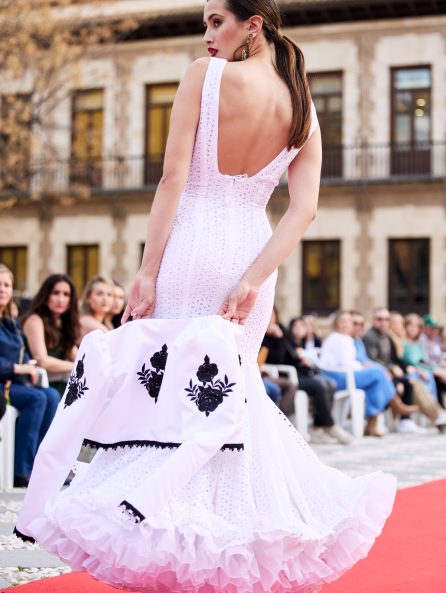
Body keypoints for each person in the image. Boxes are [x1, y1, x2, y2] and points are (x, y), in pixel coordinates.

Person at [14, 2, 396, 591]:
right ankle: (225, 545)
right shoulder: (301, 101)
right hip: (253, 251)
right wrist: (252, 278)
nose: (208, 34)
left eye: (217, 20)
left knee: (172, 397)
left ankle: (164, 534)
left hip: (191, 245)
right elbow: (304, 210)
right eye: (204, 24)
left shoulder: (203, 75)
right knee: (226, 399)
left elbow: (172, 180)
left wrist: (146, 270)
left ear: (254, 23)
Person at [0, 264, 61, 487]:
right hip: (4, 382)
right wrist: (17, 369)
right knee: (37, 399)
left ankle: (40, 465)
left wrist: (29, 365)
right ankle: (22, 470)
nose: (3, 289)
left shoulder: (11, 323)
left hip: (15, 383)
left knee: (51, 395)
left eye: (7, 285)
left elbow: (20, 353)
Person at [320, 311, 417, 437]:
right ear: (336, 324)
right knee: (378, 371)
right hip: (336, 377)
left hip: (344, 375)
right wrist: (362, 366)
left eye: (348, 321)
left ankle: (372, 423)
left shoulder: (345, 339)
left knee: (375, 382)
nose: (346, 324)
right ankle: (395, 404)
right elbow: (346, 364)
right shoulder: (339, 338)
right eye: (342, 321)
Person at [263, 309, 353, 444]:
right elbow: (277, 359)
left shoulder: (284, 332)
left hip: (301, 373)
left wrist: (302, 359)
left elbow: (294, 356)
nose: (270, 319)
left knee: (330, 383)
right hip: (285, 376)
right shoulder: (266, 335)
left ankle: (318, 427)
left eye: (273, 315)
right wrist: (278, 339)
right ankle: (329, 425)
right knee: (319, 385)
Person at [389, 312, 446, 430]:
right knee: (422, 381)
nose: (414, 329)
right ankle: (440, 414)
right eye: (411, 326)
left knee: (435, 378)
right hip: (410, 374)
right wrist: (429, 369)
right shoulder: (401, 342)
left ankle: (442, 413)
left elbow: (423, 360)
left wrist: (435, 368)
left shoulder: (416, 343)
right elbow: (410, 361)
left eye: (417, 326)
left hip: (420, 372)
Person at [362, 307, 423, 434]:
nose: (383, 322)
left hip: (386, 371)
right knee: (394, 384)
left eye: (386, 319)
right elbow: (372, 359)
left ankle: (405, 421)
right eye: (379, 319)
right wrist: (390, 368)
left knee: (408, 382)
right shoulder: (370, 337)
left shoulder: (386, 337)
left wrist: (400, 368)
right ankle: (380, 418)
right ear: (373, 320)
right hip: (376, 372)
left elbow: (393, 359)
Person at [403, 314, 446, 420]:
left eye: (436, 329)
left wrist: (442, 367)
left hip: (429, 371)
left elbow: (426, 359)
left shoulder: (425, 342)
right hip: (419, 373)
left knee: (442, 377)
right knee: (438, 378)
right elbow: (418, 361)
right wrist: (435, 369)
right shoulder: (416, 341)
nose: (434, 331)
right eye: (431, 328)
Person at [22, 274, 80, 396]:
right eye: (55, 293)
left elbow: (77, 356)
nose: (60, 299)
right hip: (39, 386)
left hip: (60, 385)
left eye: (66, 294)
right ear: (45, 295)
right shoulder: (35, 320)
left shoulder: (64, 323)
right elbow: (43, 361)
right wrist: (76, 366)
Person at [79, 275, 114, 341]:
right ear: (88, 298)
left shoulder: (106, 322)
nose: (105, 299)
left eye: (109, 294)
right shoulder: (86, 321)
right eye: (99, 294)